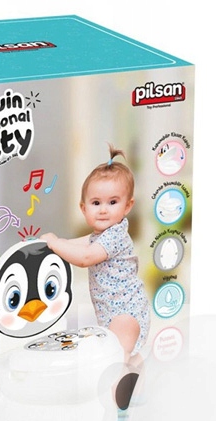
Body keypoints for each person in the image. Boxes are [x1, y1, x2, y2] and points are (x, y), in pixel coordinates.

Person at [41, 146, 149, 365]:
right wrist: (55, 245)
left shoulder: (115, 235)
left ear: (128, 206)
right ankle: (137, 383)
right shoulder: (100, 236)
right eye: (96, 203)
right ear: (84, 208)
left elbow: (85, 258)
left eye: (113, 202)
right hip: (112, 313)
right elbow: (78, 244)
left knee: (116, 358)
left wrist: (54, 243)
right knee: (129, 358)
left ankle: (116, 386)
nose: (103, 210)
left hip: (127, 313)